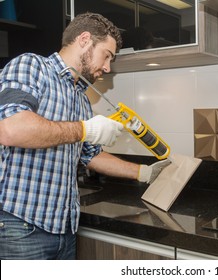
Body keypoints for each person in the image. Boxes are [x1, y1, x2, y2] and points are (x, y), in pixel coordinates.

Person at [0, 12, 170, 260]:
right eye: (107, 55)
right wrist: (86, 129)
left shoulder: (80, 98)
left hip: (64, 229)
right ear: (84, 39)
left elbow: (90, 155)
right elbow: (10, 128)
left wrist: (144, 173)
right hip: (21, 227)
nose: (107, 67)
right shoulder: (31, 66)